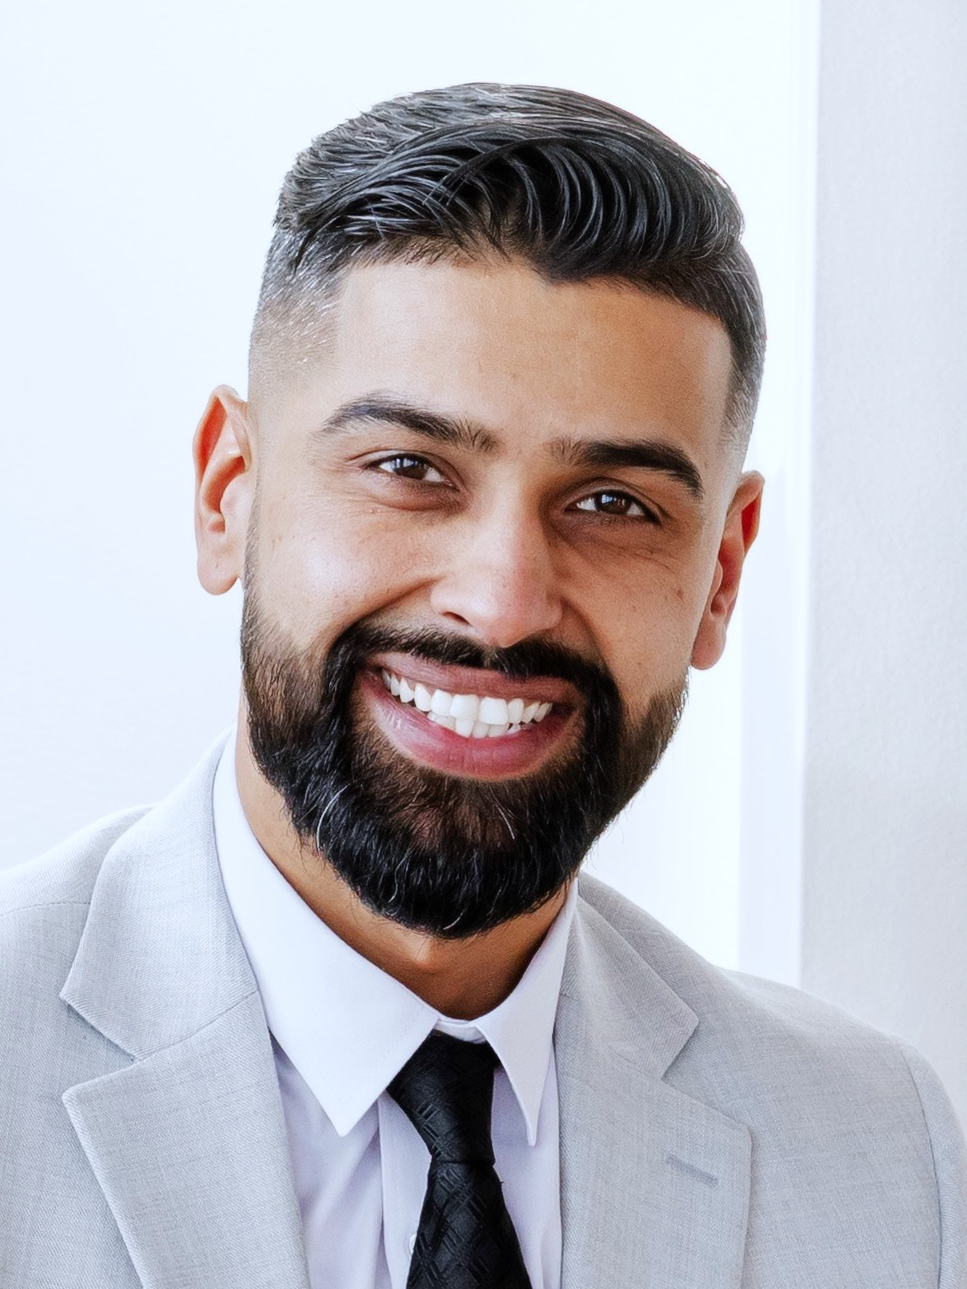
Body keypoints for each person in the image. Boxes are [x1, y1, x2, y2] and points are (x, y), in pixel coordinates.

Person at [1, 83, 964, 1289]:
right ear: (226, 492)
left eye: (612, 502)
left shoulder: (883, 1157)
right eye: (409, 467)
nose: (503, 602)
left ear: (721, 572)